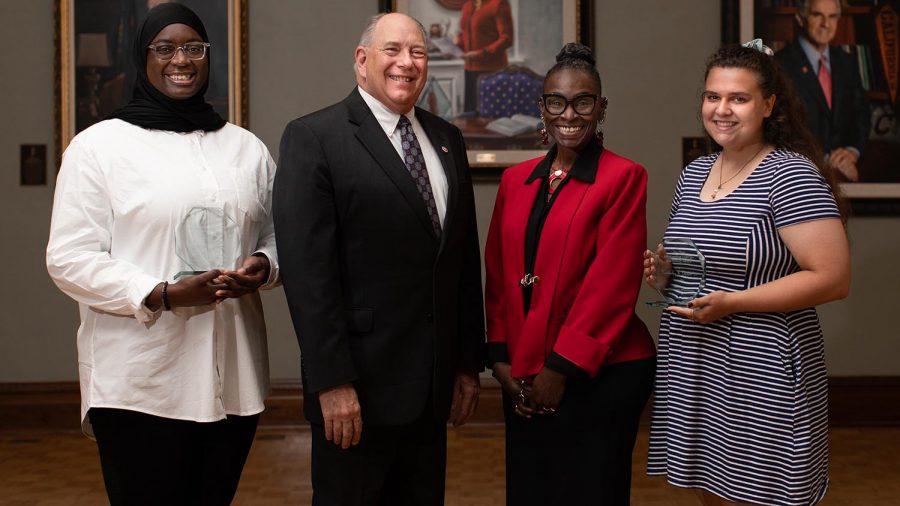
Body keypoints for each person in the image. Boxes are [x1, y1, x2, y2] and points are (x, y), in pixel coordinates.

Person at [45, 4, 278, 504]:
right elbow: (69, 257)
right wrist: (162, 293)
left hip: (233, 374)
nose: (183, 59)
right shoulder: (98, 148)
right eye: (166, 48)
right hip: (141, 382)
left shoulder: (247, 149)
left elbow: (277, 235)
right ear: (142, 58)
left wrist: (262, 266)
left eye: (194, 47)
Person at [273, 13, 485, 506]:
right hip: (358, 392)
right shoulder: (315, 138)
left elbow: (459, 260)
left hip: (431, 392)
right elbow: (309, 277)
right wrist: (332, 382)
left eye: (418, 53)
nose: (406, 64)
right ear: (362, 60)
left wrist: (465, 364)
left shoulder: (447, 139)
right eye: (393, 50)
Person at [644, 42, 851, 506]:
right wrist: (665, 276)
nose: (723, 110)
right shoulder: (695, 172)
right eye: (713, 97)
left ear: (768, 105)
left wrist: (734, 302)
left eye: (738, 98)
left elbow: (834, 278)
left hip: (761, 371)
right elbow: (703, 266)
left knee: (757, 495)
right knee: (710, 492)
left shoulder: (789, 174)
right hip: (697, 364)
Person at [484, 43, 657, 505]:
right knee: (531, 490)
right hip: (522, 373)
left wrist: (560, 368)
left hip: (601, 373)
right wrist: (501, 360)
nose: (570, 114)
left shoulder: (624, 177)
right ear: (542, 107)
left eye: (583, 102)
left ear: (601, 108)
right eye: (557, 102)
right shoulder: (514, 182)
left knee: (590, 492)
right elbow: (499, 277)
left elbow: (613, 283)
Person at [775, 0, 870, 181]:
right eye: (817, 15)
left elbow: (862, 114)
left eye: (832, 16)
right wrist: (826, 162)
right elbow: (780, 127)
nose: (826, 24)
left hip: (846, 167)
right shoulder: (779, 65)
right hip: (799, 173)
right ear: (800, 18)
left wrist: (852, 152)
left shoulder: (846, 62)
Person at [455, 0, 514, 113]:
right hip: (470, 69)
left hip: (492, 69)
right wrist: (455, 48)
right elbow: (464, 33)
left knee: (492, 113)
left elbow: (506, 38)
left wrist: (482, 53)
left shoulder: (499, 4)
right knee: (471, 113)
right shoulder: (467, 6)